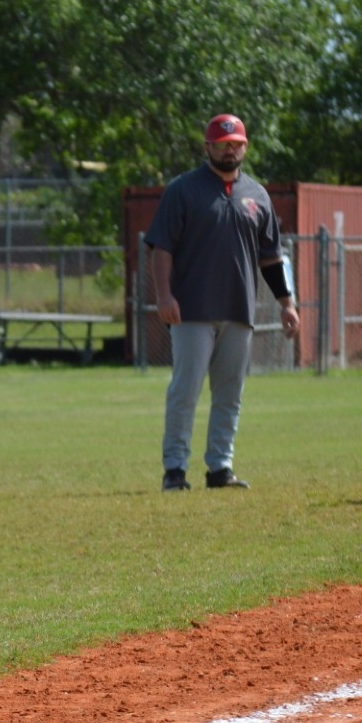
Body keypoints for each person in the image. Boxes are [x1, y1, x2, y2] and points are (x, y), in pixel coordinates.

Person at [146, 114, 301, 491]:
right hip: (192, 309)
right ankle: (175, 469)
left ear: (245, 147)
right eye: (222, 143)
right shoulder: (183, 190)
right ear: (207, 147)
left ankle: (220, 467)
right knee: (186, 389)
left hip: (239, 309)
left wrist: (287, 302)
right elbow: (161, 247)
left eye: (236, 143)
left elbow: (271, 257)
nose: (229, 149)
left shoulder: (258, 195)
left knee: (230, 391)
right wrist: (164, 295)